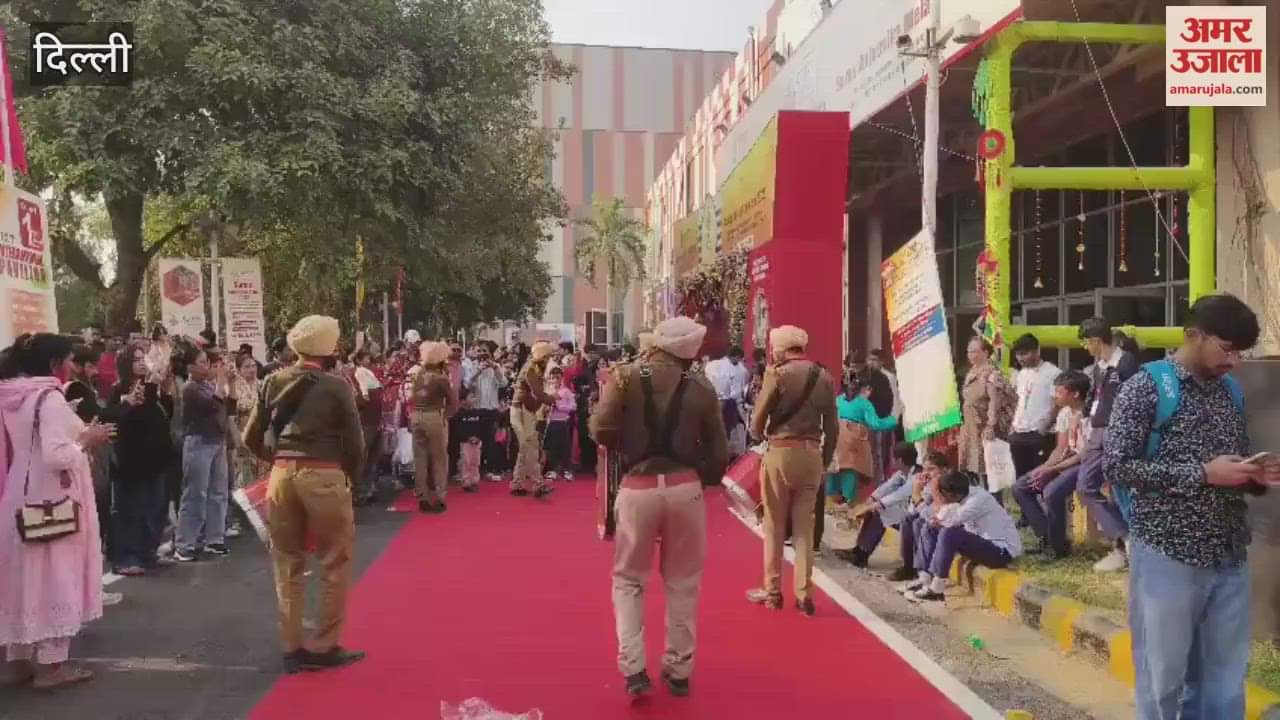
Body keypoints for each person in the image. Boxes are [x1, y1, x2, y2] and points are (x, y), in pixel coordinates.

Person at [1105, 294, 1276, 720]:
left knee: (1223, 681)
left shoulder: (1230, 391)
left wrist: (1250, 477)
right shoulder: (1146, 387)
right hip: (1168, 555)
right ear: (1193, 335)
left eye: (1241, 352)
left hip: (1228, 555)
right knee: (1163, 680)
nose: (1234, 361)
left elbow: (1230, 461)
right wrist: (1203, 474)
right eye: (1227, 348)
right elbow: (1118, 465)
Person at [590, 316, 728, 698]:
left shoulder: (625, 377)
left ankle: (634, 668)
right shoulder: (701, 387)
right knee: (683, 583)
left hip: (637, 485)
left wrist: (623, 441)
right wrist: (701, 471)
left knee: (629, 579)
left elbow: (600, 429)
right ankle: (679, 670)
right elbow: (719, 452)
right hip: (685, 486)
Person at [242, 315, 366, 674]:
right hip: (325, 474)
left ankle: (291, 646)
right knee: (334, 561)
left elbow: (251, 437)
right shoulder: (337, 385)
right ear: (329, 348)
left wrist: (277, 461)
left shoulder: (270, 380)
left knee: (287, 562)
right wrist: (350, 480)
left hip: (281, 474)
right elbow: (355, 444)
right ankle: (325, 644)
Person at [0, 334, 115, 688]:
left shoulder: (14, 396)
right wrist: (87, 440)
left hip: (20, 496)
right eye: (68, 359)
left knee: (25, 580)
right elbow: (56, 455)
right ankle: (51, 667)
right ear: (54, 364)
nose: (71, 365)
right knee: (54, 577)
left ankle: (18, 662)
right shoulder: (48, 398)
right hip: (53, 501)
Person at [745, 325, 838, 617]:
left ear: (781, 348)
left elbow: (758, 419)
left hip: (781, 451)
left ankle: (773, 591)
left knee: (774, 524)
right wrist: (824, 459)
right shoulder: (823, 376)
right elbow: (832, 426)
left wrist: (758, 434)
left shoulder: (778, 373)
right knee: (804, 527)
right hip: (812, 454)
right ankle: (804, 594)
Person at [1077, 317, 1142, 572]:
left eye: (1086, 342)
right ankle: (1124, 538)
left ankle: (1126, 548)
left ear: (1095, 340)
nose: (1085, 348)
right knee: (1085, 486)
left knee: (1120, 491)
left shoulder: (1127, 364)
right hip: (1097, 430)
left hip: (1119, 431)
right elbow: (1095, 399)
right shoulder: (1098, 366)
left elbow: (1136, 401)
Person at [902, 469, 1022, 604]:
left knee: (950, 532)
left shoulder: (978, 499)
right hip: (980, 542)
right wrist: (921, 497)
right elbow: (931, 518)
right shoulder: (960, 494)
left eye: (943, 494)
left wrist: (923, 496)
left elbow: (947, 522)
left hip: (1000, 551)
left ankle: (937, 589)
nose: (941, 497)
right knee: (929, 528)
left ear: (951, 494)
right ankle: (924, 579)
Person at [106, 343, 175, 575]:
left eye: (141, 358)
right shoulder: (119, 390)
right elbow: (117, 419)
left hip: (155, 460)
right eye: (135, 359)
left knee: (154, 509)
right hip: (131, 461)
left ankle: (148, 552)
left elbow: (164, 413)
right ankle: (126, 557)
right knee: (129, 511)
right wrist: (130, 401)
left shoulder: (150, 387)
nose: (140, 362)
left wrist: (163, 390)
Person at [1011, 370, 1091, 559]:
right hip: (1067, 462)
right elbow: (1060, 449)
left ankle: (1058, 547)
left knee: (1052, 492)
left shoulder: (1090, 414)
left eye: (1059, 392)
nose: (1055, 396)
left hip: (1086, 464)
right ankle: (1047, 538)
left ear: (1075, 394)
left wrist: (1053, 470)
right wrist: (1045, 468)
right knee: (1020, 487)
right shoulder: (1064, 413)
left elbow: (1084, 454)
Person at [172, 348, 232, 562]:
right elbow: (212, 404)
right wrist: (221, 381)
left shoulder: (207, 385)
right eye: (201, 362)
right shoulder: (190, 388)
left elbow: (225, 405)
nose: (206, 366)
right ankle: (185, 544)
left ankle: (214, 538)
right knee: (195, 494)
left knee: (218, 492)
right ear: (189, 367)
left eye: (207, 362)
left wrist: (225, 383)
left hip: (217, 441)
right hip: (199, 442)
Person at [838, 442, 922, 569]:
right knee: (873, 511)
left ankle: (862, 555)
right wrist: (871, 499)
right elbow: (886, 487)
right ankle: (858, 549)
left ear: (899, 460)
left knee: (878, 513)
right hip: (905, 511)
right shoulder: (901, 473)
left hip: (916, 515)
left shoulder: (916, 476)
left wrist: (873, 505)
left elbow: (897, 496)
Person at [957, 337, 1014, 502]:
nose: (971, 355)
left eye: (975, 351)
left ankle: (995, 506)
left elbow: (994, 402)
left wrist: (991, 425)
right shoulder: (971, 372)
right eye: (969, 351)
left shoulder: (991, 373)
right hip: (971, 427)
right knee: (975, 468)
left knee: (989, 471)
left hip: (985, 428)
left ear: (986, 353)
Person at [827, 376, 898, 505]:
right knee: (851, 473)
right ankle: (848, 506)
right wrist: (893, 419)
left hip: (835, 441)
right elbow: (875, 424)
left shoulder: (838, 400)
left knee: (833, 473)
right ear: (866, 389)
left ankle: (832, 507)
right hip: (854, 444)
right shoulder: (864, 403)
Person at [410, 342, 458, 513]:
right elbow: (453, 402)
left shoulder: (417, 375)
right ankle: (439, 497)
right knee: (439, 459)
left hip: (416, 416)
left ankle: (422, 496)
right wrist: (446, 417)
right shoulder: (441, 378)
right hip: (434, 416)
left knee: (420, 459)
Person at [1008, 333, 1062, 479]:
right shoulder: (1022, 374)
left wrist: (1043, 428)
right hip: (1018, 433)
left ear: (1037, 351)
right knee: (1020, 479)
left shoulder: (1053, 373)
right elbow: (1019, 401)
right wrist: (1013, 425)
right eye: (1018, 354)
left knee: (1039, 478)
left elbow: (1057, 403)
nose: (1020, 358)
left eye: (1024, 354)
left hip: (1039, 433)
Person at [510, 341, 556, 497]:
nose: (550, 359)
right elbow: (538, 393)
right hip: (522, 409)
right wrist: (553, 399)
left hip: (526, 409)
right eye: (548, 356)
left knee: (525, 447)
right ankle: (538, 483)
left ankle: (517, 483)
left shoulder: (534, 367)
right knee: (529, 447)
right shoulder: (531, 368)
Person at [227, 353, 263, 533]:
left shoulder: (262, 385)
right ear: (239, 370)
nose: (251, 369)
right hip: (241, 435)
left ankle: (257, 515)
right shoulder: (234, 388)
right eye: (247, 367)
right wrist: (237, 438)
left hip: (260, 437)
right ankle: (235, 518)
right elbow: (231, 416)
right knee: (240, 478)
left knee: (260, 476)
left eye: (253, 365)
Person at [463, 343, 507, 482]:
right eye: (479, 351)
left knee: (491, 441)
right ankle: (475, 471)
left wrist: (495, 368)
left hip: (492, 409)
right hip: (476, 409)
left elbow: (504, 383)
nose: (482, 353)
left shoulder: (496, 367)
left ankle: (490, 470)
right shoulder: (471, 366)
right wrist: (478, 371)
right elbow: (467, 384)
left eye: (485, 351)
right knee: (476, 441)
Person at [349, 350, 384, 505]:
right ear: (360, 360)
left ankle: (368, 488)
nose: (370, 359)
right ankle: (359, 491)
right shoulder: (361, 373)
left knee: (372, 457)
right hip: (368, 421)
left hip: (375, 420)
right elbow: (364, 396)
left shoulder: (368, 373)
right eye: (367, 357)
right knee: (364, 457)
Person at [704, 347, 750, 457]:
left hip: (732, 403)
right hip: (722, 401)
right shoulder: (716, 366)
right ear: (735, 356)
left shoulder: (741, 370)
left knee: (730, 429)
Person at [542, 366, 576, 482]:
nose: (554, 380)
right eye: (552, 378)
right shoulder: (549, 392)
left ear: (561, 378)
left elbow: (573, 406)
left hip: (562, 423)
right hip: (551, 422)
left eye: (557, 377)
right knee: (551, 448)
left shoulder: (566, 391)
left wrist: (560, 406)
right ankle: (552, 471)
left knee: (564, 448)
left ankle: (567, 471)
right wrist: (546, 408)